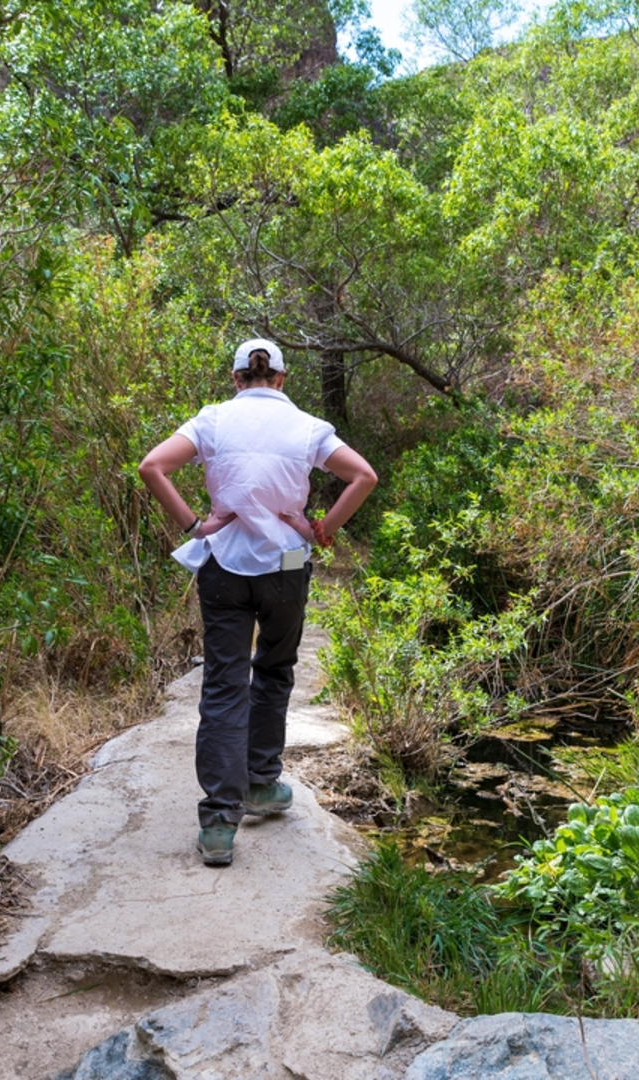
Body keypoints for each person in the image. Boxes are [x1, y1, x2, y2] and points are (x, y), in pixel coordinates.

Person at [138, 339, 377, 866]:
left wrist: (194, 526)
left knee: (224, 683)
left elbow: (153, 466)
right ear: (281, 379)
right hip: (287, 566)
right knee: (274, 667)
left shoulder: (212, 420)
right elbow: (364, 477)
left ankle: (220, 824)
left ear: (235, 377)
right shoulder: (308, 426)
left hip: (223, 563)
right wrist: (322, 529)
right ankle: (261, 784)